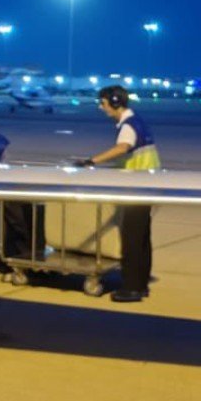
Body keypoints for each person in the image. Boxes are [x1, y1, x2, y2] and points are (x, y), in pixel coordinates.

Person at [79, 84, 161, 303]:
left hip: (136, 189)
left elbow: (122, 148)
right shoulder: (138, 121)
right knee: (142, 240)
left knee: (132, 240)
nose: (102, 107)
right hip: (147, 186)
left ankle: (131, 288)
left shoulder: (127, 126)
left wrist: (92, 161)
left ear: (115, 103)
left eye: (103, 103)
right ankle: (141, 284)